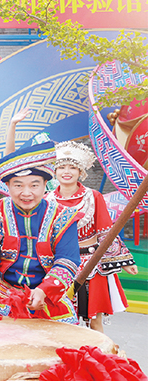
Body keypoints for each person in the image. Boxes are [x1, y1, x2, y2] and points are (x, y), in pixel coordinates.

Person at [0, 140, 81, 322]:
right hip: (4, 296)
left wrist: (44, 290)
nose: (26, 193)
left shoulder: (64, 217)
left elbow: (67, 260)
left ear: (45, 185)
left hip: (49, 297)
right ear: (8, 185)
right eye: (18, 185)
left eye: (34, 185)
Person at [47, 141, 137, 330]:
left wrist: (124, 261)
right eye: (61, 167)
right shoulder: (47, 199)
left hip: (90, 263)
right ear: (55, 171)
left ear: (81, 172)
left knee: (94, 318)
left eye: (72, 167)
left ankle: (99, 349)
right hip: (58, 264)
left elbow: (106, 232)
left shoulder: (93, 196)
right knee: (58, 317)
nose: (66, 171)